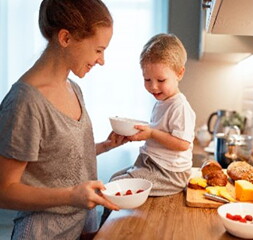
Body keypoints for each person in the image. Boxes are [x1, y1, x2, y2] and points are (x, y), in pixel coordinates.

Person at [0, 0, 127, 239]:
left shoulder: (74, 89)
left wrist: (104, 146)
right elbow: (4, 191)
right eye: (98, 50)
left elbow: (57, 162)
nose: (102, 60)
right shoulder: (25, 102)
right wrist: (72, 196)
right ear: (66, 38)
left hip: (81, 226)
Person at [100, 33, 196, 224]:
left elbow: (183, 144)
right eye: (147, 79)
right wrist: (142, 132)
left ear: (179, 73)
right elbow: (160, 132)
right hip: (152, 164)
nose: (153, 87)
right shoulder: (162, 101)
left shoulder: (180, 106)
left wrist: (151, 133)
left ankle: (103, 232)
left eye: (161, 80)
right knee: (113, 179)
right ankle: (101, 229)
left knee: (114, 187)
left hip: (169, 174)